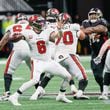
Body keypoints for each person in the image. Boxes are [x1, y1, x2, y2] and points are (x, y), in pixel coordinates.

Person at [8, 14, 74, 106]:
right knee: (34, 80)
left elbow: (57, 36)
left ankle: (61, 95)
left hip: (48, 61)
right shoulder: (27, 32)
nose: (42, 24)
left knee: (68, 76)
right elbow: (14, 39)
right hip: (37, 62)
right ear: (33, 24)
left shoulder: (47, 31)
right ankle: (14, 96)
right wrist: (14, 37)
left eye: (42, 22)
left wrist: (59, 29)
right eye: (39, 22)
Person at [31, 13, 89, 101]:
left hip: (57, 57)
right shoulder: (75, 26)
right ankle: (79, 93)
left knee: (48, 75)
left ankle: (36, 93)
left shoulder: (54, 29)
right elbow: (83, 37)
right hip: (69, 55)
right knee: (83, 77)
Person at [0, 13, 31, 101]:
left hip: (17, 50)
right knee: (35, 72)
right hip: (30, 50)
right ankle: (39, 90)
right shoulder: (31, 26)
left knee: (8, 71)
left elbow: (3, 41)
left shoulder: (12, 26)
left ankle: (7, 93)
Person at [81, 8, 109, 95]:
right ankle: (103, 88)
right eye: (91, 14)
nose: (93, 16)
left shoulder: (103, 22)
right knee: (97, 75)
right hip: (96, 52)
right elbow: (81, 31)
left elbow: (99, 29)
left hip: (107, 52)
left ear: (99, 15)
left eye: (95, 14)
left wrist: (84, 31)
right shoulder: (85, 23)